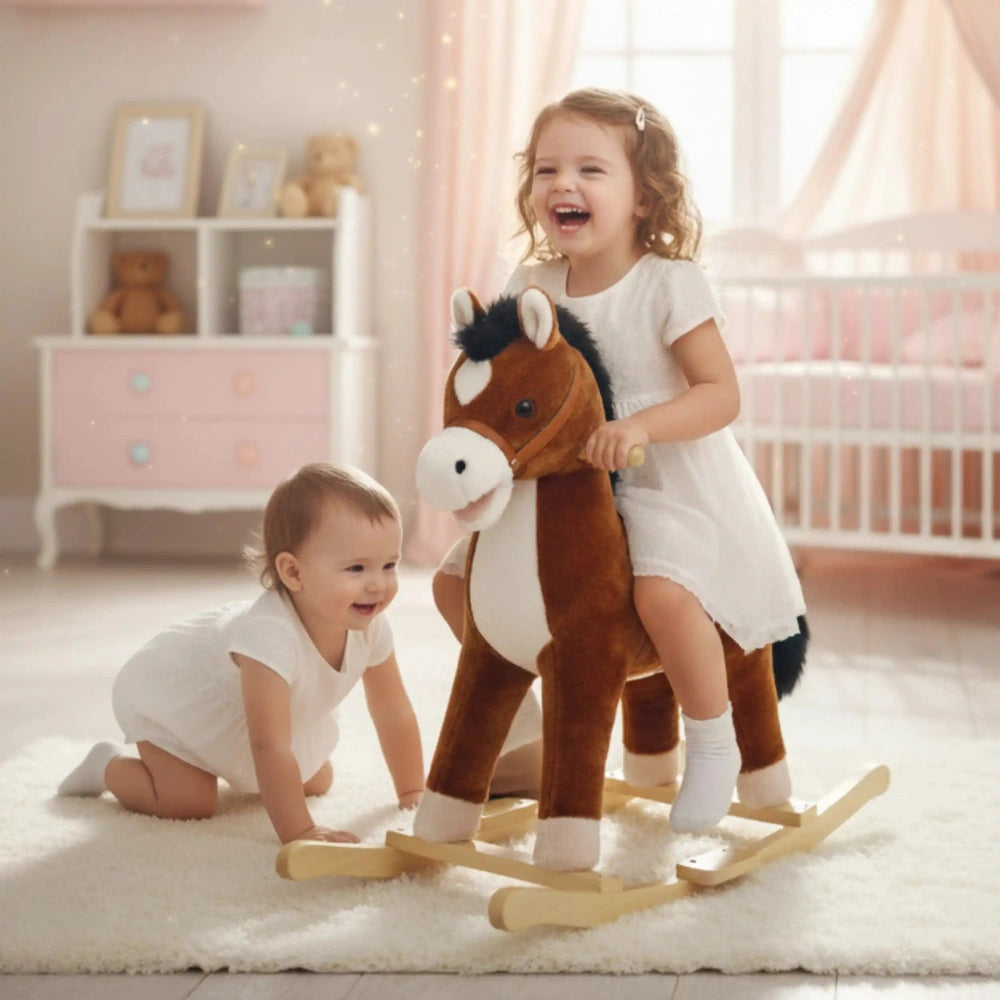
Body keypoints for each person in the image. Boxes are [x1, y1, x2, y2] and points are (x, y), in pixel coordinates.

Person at [433, 88, 806, 833]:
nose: (562, 185)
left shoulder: (668, 284)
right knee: (456, 586)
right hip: (560, 495)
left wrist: (641, 424)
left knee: (664, 595)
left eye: (590, 170)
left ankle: (712, 743)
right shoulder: (528, 285)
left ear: (644, 197)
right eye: (546, 169)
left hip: (660, 486)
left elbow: (719, 394)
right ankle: (542, 725)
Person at [58, 463, 425, 845]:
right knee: (188, 801)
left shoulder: (371, 627)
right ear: (294, 573)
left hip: (268, 719)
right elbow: (267, 745)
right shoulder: (269, 636)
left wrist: (413, 794)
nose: (378, 584)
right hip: (190, 707)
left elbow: (392, 709)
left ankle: (235, 770)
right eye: (356, 568)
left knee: (317, 779)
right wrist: (299, 830)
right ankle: (106, 766)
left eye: (390, 565)